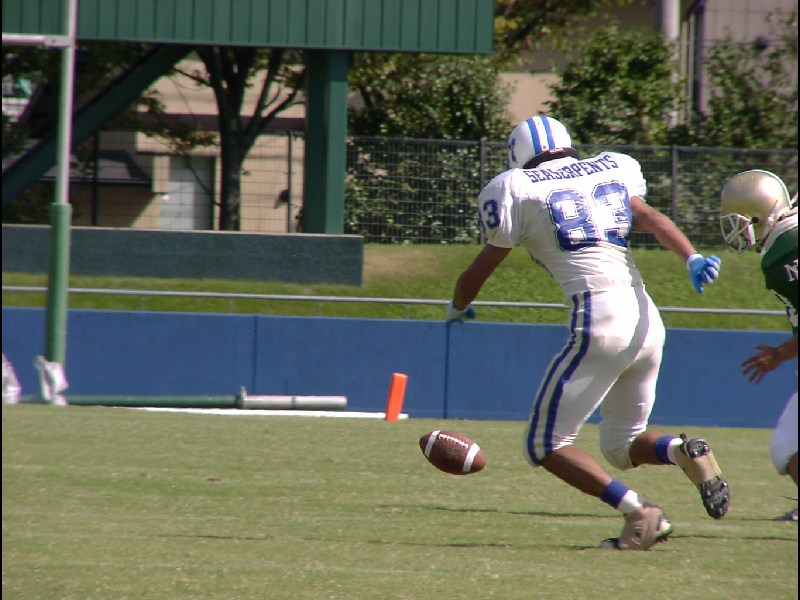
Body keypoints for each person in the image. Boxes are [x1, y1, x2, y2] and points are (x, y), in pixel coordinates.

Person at [446, 115, 730, 550]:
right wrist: (691, 257)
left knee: (544, 444)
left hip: (598, 316)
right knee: (621, 446)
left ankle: (640, 513)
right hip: (646, 319)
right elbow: (650, 217)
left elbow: (476, 275)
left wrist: (456, 307)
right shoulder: (610, 167)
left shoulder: (517, 187)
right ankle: (682, 451)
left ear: (518, 155)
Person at [720, 170, 798, 522]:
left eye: (739, 221)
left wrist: (781, 354)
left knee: (788, 445)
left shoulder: (783, 253)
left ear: (758, 215)